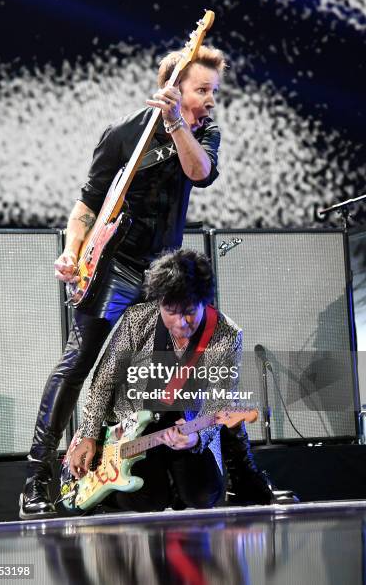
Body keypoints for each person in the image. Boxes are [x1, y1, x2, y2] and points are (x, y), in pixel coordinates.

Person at [19, 45, 226, 519]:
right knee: (79, 362)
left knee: (199, 363)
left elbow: (200, 172)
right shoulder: (122, 136)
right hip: (116, 265)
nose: (211, 100)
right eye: (202, 90)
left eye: (213, 91)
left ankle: (231, 472)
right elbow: (86, 206)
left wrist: (178, 122)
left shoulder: (202, 133)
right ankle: (38, 477)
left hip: (166, 272)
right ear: (172, 87)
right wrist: (72, 252)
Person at [67, 249, 262, 512]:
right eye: (172, 312)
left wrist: (197, 438)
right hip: (130, 428)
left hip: (186, 424)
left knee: (204, 495)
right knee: (146, 500)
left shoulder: (226, 335)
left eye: (190, 312)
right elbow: (104, 382)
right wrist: (89, 435)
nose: (182, 323)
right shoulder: (137, 320)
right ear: (158, 303)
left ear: (206, 301)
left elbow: (220, 401)